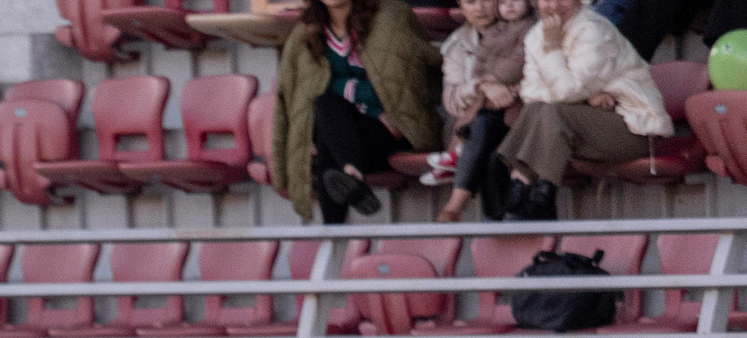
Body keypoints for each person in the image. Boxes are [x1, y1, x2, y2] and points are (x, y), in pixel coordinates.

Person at [496, 0, 671, 221]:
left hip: (633, 129)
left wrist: (553, 50)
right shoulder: (535, 35)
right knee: (539, 110)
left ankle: (533, 194)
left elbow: (565, 92)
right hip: (579, 128)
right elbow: (531, 94)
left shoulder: (594, 30)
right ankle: (533, 195)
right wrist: (586, 99)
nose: (555, 5)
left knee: (551, 112)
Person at [274, 0, 444, 224]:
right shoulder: (305, 33)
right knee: (325, 106)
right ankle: (352, 175)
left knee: (328, 143)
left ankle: (333, 234)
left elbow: (407, 82)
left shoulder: (391, 16)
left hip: (393, 133)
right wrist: (365, 100)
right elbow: (298, 98)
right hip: (345, 133)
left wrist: (364, 101)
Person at [432, 0, 535, 221]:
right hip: (472, 124)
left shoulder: (528, 30)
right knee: (488, 135)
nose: (479, 8)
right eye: (470, 2)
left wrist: (510, 92)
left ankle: (457, 203)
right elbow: (451, 101)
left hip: (520, 118)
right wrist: (482, 87)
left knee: (489, 130)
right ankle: (503, 229)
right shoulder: (457, 43)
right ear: (460, 6)